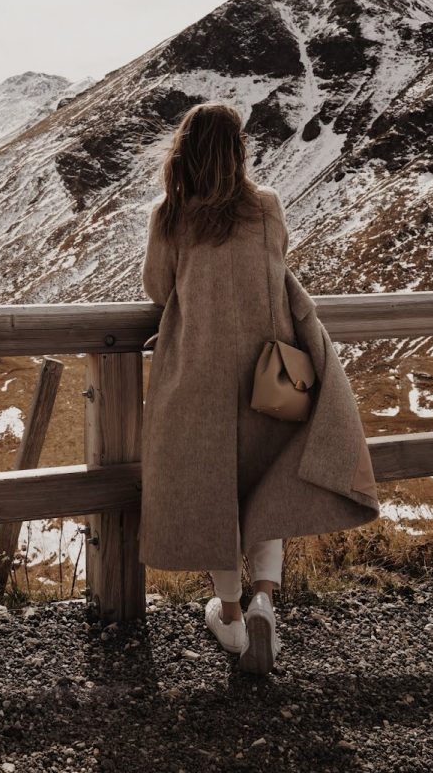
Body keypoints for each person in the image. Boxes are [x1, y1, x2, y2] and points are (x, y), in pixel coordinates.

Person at [139, 100, 293, 675]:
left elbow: (158, 288)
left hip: (196, 375)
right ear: (239, 151)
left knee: (211, 494)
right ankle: (264, 601)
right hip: (266, 370)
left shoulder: (170, 214)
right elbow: (277, 264)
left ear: (184, 151)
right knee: (263, 484)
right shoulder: (267, 206)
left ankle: (228, 614)